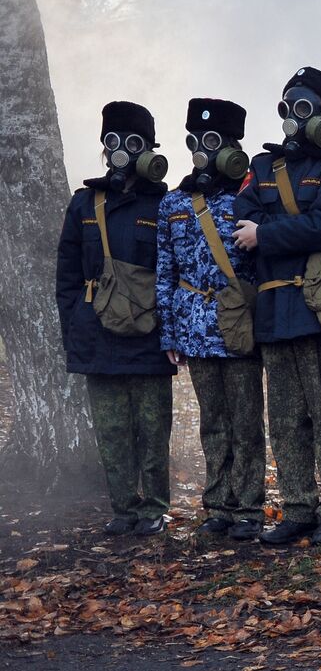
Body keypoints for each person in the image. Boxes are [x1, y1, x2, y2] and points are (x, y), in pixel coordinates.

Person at [232, 66, 321, 546]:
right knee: (284, 418)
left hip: (316, 306)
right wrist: (280, 229)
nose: (292, 117)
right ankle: (298, 507)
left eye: (303, 108)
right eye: (288, 106)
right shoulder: (263, 168)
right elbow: (240, 220)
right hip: (272, 308)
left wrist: (267, 234)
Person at [56, 100, 175, 536]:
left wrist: (171, 333)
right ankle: (123, 509)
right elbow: (67, 274)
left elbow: (175, 272)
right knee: (111, 430)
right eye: (114, 141)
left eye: (134, 142)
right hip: (97, 333)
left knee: (152, 428)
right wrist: (74, 325)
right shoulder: (84, 203)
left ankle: (154, 508)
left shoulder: (166, 204)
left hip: (149, 334)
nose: (122, 151)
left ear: (150, 149)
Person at [155, 97, 265, 540]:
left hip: (237, 324)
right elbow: (166, 271)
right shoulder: (174, 202)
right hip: (194, 328)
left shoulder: (251, 196)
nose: (202, 149)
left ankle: (251, 508)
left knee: (246, 420)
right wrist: (170, 331)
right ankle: (219, 505)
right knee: (213, 422)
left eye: (213, 141)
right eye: (196, 140)